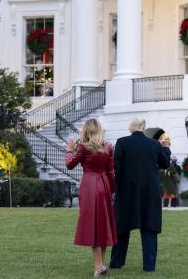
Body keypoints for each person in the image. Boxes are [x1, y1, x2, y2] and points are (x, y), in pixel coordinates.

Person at [110, 118, 170, 273]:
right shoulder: (155, 144)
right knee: (149, 227)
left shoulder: (122, 142)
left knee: (122, 227)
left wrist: (114, 188)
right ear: (143, 127)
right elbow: (165, 164)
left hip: (126, 191)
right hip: (149, 192)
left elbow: (117, 168)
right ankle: (149, 266)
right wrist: (166, 148)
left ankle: (116, 262)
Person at [66, 118, 117, 277]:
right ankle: (101, 265)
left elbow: (70, 164)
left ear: (86, 131)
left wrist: (69, 150)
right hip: (104, 185)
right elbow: (111, 172)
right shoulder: (107, 147)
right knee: (103, 225)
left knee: (93, 226)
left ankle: (98, 267)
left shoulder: (83, 147)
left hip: (89, 186)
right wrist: (110, 189)